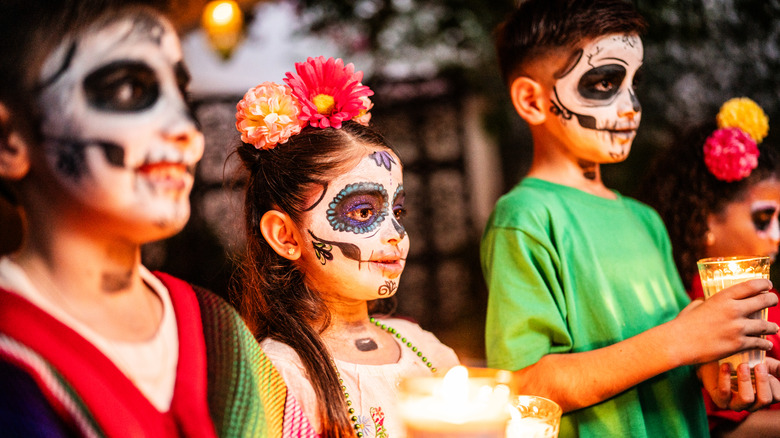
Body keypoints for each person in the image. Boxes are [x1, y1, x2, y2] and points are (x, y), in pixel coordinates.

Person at [0, 1, 313, 436]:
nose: (187, 129)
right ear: (9, 142)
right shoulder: (12, 352)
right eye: (129, 90)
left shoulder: (215, 330)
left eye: (180, 96)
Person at [481, 1, 780, 436]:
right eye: (605, 82)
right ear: (532, 100)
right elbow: (524, 387)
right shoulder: (525, 216)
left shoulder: (645, 220)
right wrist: (682, 340)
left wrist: (717, 372)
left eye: (632, 83)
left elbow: (677, 358)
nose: (631, 107)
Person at [233, 56, 460, 438]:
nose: (396, 234)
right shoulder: (280, 374)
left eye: (398, 211)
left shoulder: (425, 348)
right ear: (286, 236)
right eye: (362, 212)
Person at [640, 97, 780, 437]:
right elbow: (718, 426)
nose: (776, 237)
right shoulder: (696, 311)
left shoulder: (766, 298)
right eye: (763, 219)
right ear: (706, 222)